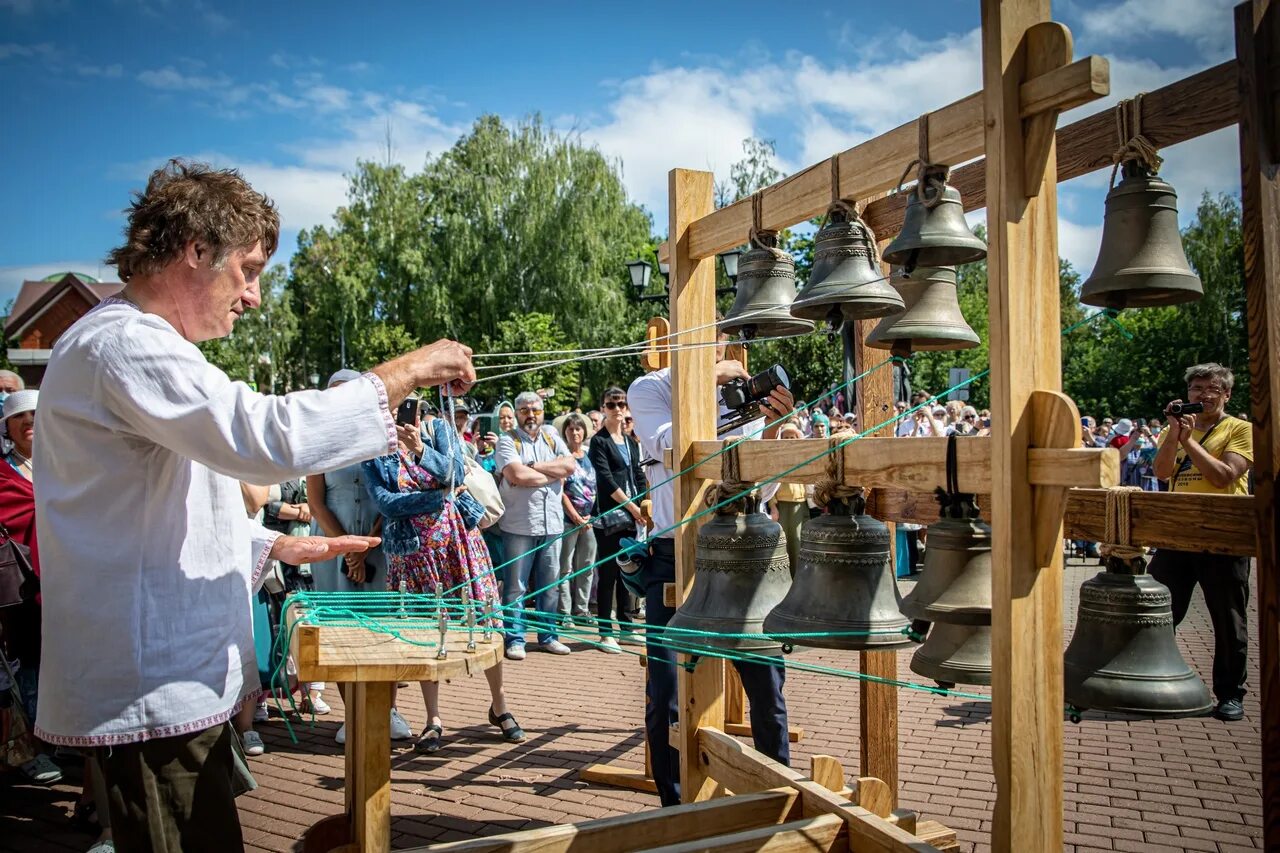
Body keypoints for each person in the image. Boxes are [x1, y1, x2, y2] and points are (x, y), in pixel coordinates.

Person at [32, 159, 476, 852]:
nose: (256, 296)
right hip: (154, 694)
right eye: (249, 269)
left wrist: (269, 545)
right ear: (195, 251)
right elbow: (262, 437)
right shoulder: (124, 345)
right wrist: (403, 371)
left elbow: (158, 506)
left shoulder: (148, 346)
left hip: (177, 686)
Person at [629, 331, 793, 807]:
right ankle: (674, 810)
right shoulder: (650, 389)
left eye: (715, 338)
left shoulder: (741, 395)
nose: (712, 345)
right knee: (666, 696)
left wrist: (772, 432)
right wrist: (702, 383)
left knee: (767, 689)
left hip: (739, 550)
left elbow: (759, 492)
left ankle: (776, 798)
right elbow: (668, 447)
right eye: (698, 337)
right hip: (671, 552)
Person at [362, 400, 523, 753]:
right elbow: (386, 503)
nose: (397, 415)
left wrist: (420, 449)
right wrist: (438, 499)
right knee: (426, 629)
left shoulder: (437, 429)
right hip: (412, 554)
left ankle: (500, 706)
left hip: (460, 545)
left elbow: (454, 474)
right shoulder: (373, 446)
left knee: (484, 619)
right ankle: (433, 718)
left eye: (402, 406)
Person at [1150, 363, 1253, 722]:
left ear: (1226, 394)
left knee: (1228, 620)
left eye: (1211, 389)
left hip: (1223, 536)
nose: (1202, 395)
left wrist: (1189, 441)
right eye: (1195, 389)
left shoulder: (1240, 429)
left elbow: (1225, 475)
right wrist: (1175, 435)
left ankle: (1230, 693)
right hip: (1178, 534)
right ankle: (1153, 679)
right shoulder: (1175, 429)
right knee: (1158, 613)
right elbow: (1161, 472)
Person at [0, 390, 62, 786]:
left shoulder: (67, 466)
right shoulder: (3, 475)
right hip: (20, 589)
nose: (29, 423)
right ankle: (33, 749)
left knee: (63, 663)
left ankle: (60, 738)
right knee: (27, 667)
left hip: (66, 581)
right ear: (7, 427)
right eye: (19, 416)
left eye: (36, 414)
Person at [494, 390, 577, 659]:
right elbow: (516, 475)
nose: (531, 415)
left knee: (550, 585)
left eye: (536, 410)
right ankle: (515, 638)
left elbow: (570, 465)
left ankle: (548, 636)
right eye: (525, 410)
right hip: (519, 524)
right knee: (516, 586)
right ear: (517, 414)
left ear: (543, 412)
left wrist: (534, 467)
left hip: (552, 523)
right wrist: (551, 475)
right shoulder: (507, 441)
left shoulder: (552, 435)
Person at [588, 387, 646, 652]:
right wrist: (633, 507)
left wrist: (646, 505)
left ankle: (626, 626)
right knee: (608, 574)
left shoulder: (632, 442)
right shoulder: (599, 442)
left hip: (632, 516)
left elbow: (638, 474)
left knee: (628, 570)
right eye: (611, 405)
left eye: (621, 404)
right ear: (603, 408)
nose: (617, 409)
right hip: (610, 517)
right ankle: (604, 632)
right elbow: (606, 480)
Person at [557, 413, 597, 628]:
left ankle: (582, 609)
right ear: (565, 432)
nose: (575, 432)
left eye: (579, 428)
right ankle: (565, 613)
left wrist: (589, 515)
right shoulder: (563, 456)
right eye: (571, 429)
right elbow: (561, 491)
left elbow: (595, 487)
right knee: (565, 568)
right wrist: (574, 516)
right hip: (568, 519)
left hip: (589, 519)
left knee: (586, 566)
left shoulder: (590, 455)